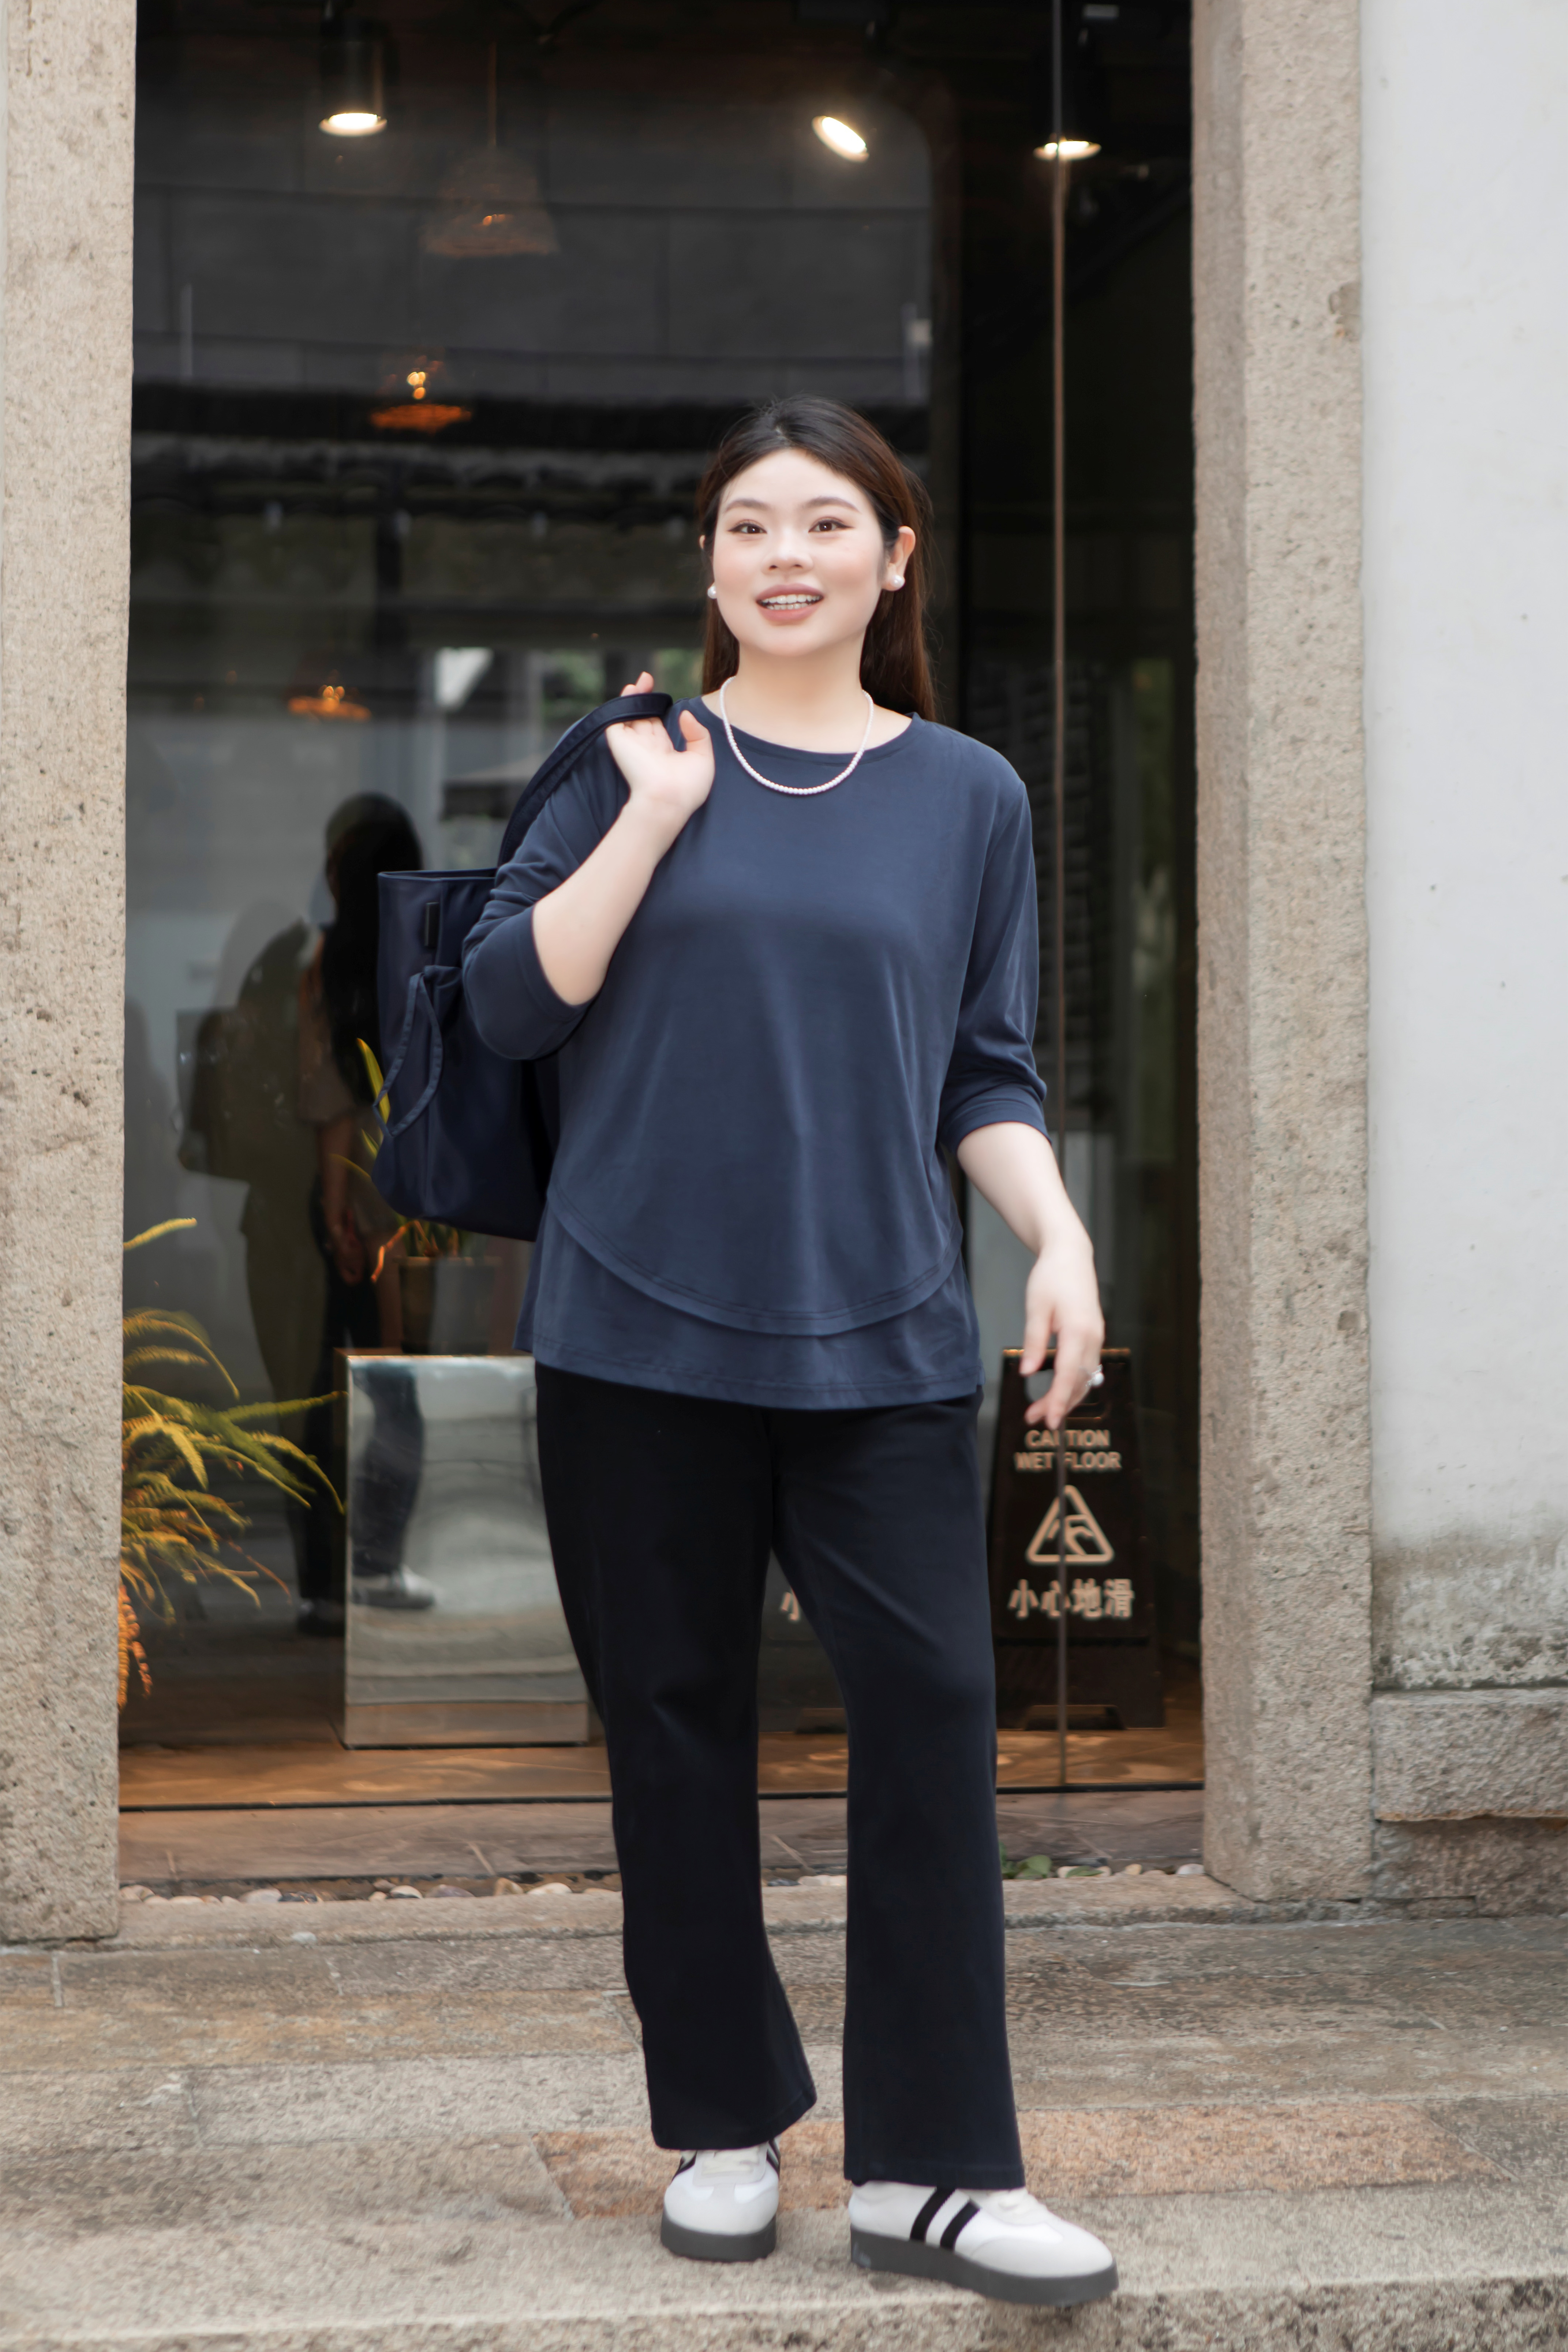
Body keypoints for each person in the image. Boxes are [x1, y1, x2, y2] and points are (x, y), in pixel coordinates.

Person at [464, 396, 1115, 2309]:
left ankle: (933, 2168)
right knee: (674, 1727)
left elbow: (982, 1067)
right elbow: (508, 1000)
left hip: (886, 1334)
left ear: (893, 558)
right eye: (747, 523)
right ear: (709, 559)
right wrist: (654, 818)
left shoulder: (968, 797)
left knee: (930, 1712)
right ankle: (722, 2124)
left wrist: (1058, 1234)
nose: (783, 554)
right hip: (632, 1328)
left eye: (825, 521)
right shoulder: (622, 759)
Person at [295, 797, 433, 1625]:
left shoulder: (329, 963)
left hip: (356, 1200)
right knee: (398, 1388)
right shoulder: (426, 955)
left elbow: (328, 1100)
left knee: (330, 1388)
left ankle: (323, 1583)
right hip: (420, 1205)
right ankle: (377, 1566)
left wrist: (336, 1208)